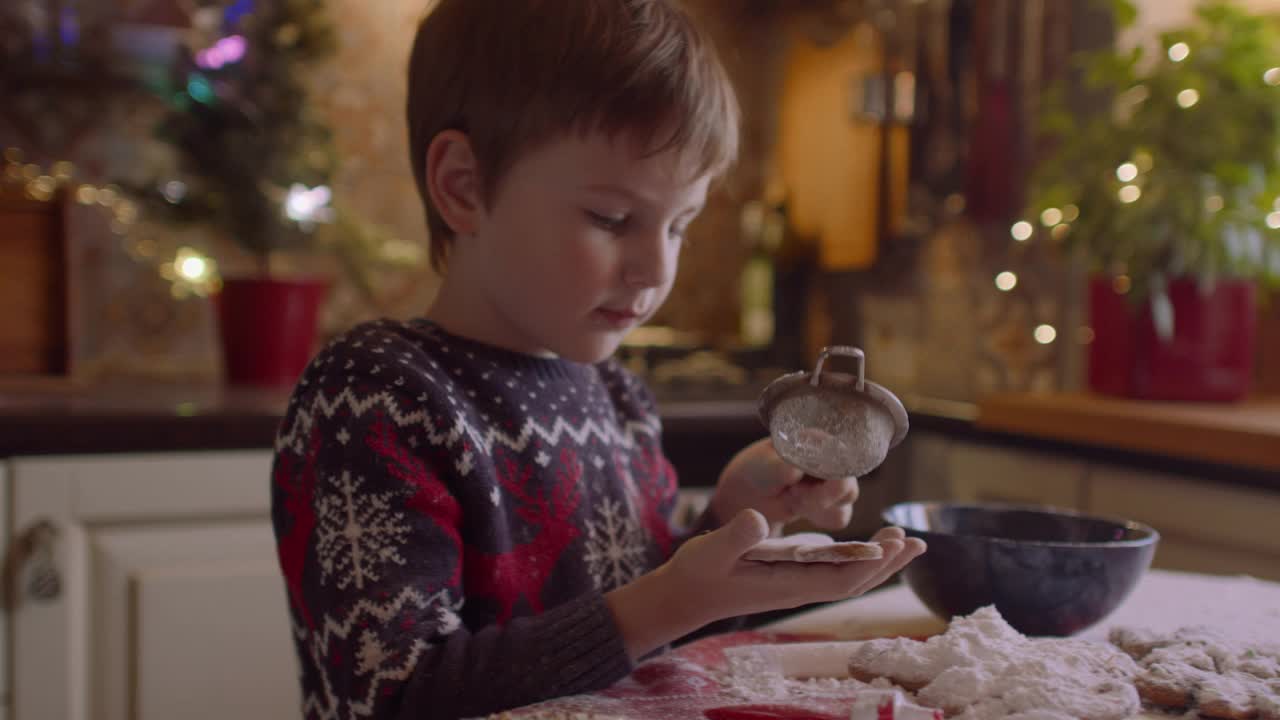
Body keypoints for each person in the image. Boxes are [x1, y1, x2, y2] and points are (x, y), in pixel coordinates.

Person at [270, 1, 927, 718]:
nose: (656, 268)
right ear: (463, 185)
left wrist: (731, 523)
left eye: (680, 224)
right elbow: (393, 697)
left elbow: (638, 628)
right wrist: (671, 598)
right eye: (611, 219)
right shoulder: (374, 398)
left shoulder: (618, 397)